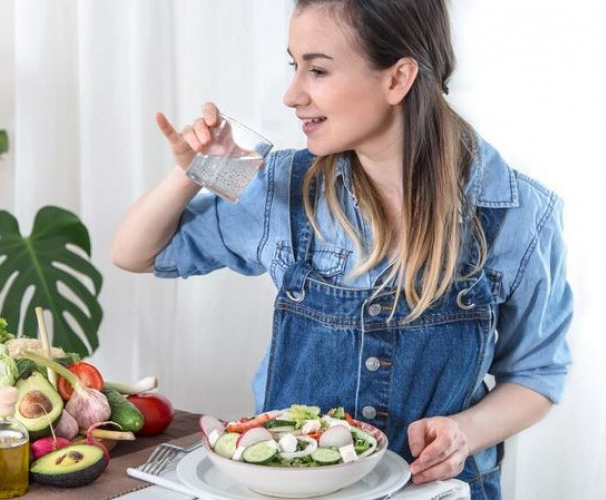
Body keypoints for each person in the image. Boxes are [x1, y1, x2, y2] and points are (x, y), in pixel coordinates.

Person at [111, 0, 572, 497]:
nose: (292, 94)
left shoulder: (519, 211)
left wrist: (466, 432)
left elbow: (537, 374)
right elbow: (135, 253)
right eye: (295, 66)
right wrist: (191, 171)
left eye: (317, 69)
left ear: (398, 79)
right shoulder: (282, 186)